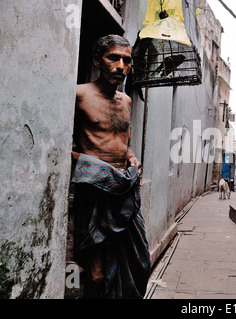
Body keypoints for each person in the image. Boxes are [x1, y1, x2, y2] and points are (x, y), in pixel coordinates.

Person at [71, 34, 151, 299]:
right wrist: (88, 164)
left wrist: (132, 157)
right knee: (95, 276)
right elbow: (59, 147)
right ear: (97, 60)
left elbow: (121, 141)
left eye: (127, 60)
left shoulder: (126, 101)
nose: (121, 66)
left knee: (139, 264)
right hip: (94, 194)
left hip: (123, 192)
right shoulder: (79, 95)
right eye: (113, 58)